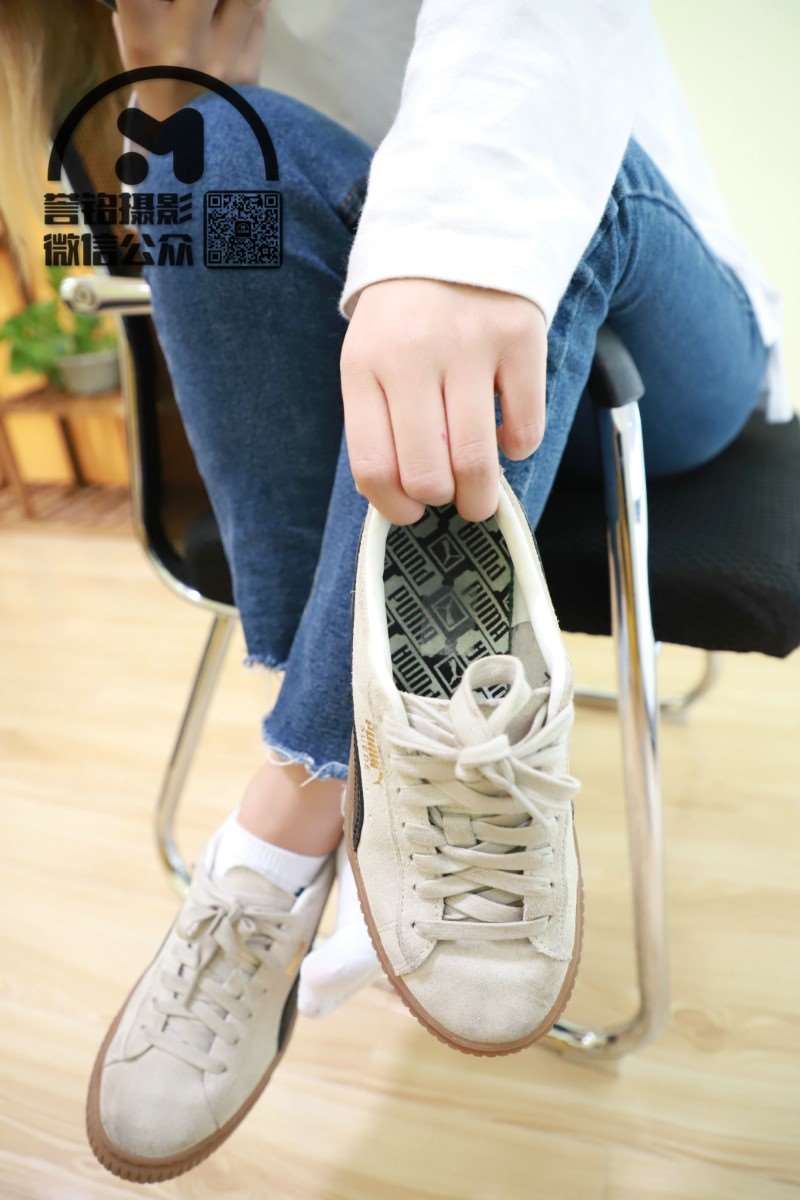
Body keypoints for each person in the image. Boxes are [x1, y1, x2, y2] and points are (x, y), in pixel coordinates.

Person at [0, 0, 789, 1182]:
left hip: (650, 341)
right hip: (385, 413)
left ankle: (285, 829)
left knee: (549, 179)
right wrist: (164, 101)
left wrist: (462, 248)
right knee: (206, 150)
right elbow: (140, 286)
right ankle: (393, 747)